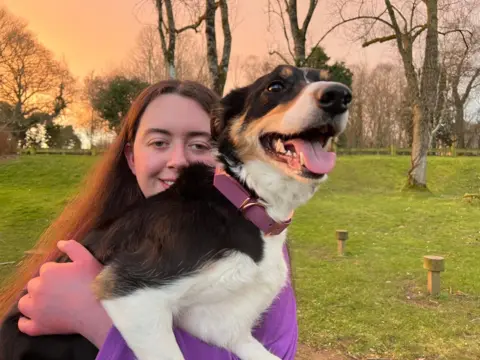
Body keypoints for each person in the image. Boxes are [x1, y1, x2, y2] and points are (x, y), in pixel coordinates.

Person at [0, 79, 298, 359]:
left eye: (200, 145)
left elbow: (277, 350)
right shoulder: (99, 242)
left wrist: (97, 320)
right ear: (131, 158)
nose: (179, 161)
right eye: (158, 143)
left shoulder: (259, 242)